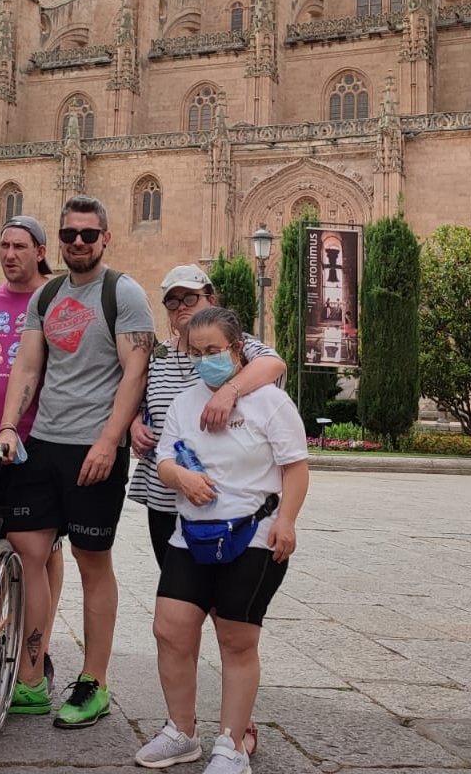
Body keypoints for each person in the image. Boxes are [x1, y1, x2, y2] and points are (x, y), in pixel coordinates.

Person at [0, 195, 154, 728]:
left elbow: (134, 374)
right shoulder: (47, 296)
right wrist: (8, 427)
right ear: (58, 242)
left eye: (88, 234)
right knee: (29, 555)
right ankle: (31, 676)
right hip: (43, 445)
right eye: (69, 235)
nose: (78, 243)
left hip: (95, 449)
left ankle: (94, 680)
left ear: (106, 238)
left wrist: (110, 442)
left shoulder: (123, 294)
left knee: (92, 561)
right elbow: (27, 368)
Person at [134, 307, 308, 773]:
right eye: (196, 353)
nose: (205, 360)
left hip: (253, 535)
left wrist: (286, 520)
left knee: (236, 639)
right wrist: (181, 479)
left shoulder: (269, 402)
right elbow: (166, 459)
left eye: (214, 351)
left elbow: (295, 467)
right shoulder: (184, 403)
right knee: (170, 629)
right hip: (190, 535)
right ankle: (180, 730)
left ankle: (231, 743)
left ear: (236, 350)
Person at [128, 264, 286, 568]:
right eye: (172, 301)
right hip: (166, 494)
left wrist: (229, 391)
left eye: (191, 297)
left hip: (220, 499)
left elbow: (274, 365)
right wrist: (135, 422)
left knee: (220, 592)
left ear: (211, 300)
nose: (181, 307)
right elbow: (140, 397)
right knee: (177, 584)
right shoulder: (159, 354)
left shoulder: (235, 343)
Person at [0, 215, 63, 693]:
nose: (9, 255)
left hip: (37, 445)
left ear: (40, 251)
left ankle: (29, 666)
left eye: (19, 246)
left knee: (34, 552)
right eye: (4, 245)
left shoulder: (57, 302)